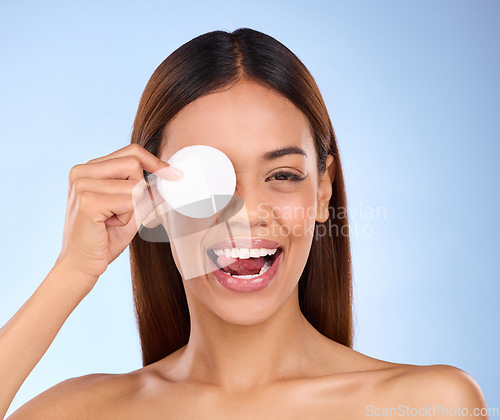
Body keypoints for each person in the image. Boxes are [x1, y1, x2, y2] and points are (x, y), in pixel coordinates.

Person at [1, 28, 488, 419]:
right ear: (153, 199)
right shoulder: (80, 413)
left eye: (282, 175)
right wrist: (73, 271)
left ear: (323, 191)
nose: (248, 212)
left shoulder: (430, 406)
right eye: (205, 181)